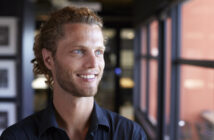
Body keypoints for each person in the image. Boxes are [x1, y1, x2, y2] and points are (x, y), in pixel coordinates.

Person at [0, 6, 147, 140]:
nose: (94, 64)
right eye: (78, 51)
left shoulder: (129, 134)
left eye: (98, 52)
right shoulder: (17, 137)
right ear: (49, 59)